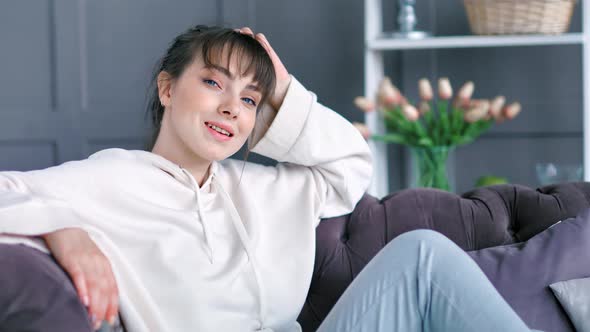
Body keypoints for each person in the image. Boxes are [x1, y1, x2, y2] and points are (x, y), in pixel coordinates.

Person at [0, 25, 536, 332]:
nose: (232, 108)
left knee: (421, 254)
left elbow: (351, 167)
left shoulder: (260, 189)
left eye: (250, 99)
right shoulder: (111, 178)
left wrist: (284, 89)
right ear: (167, 89)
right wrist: (64, 231)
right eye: (213, 82)